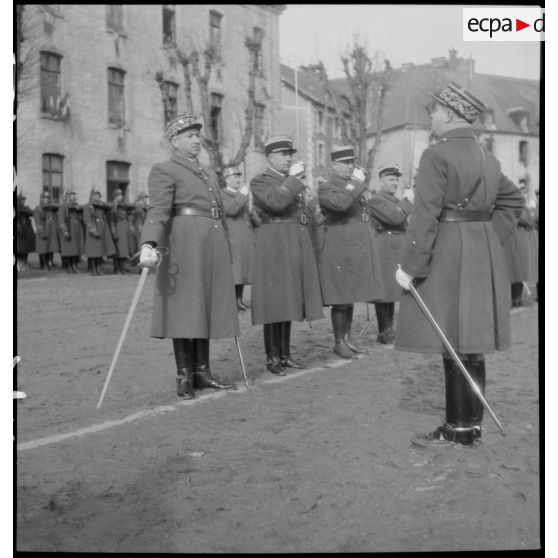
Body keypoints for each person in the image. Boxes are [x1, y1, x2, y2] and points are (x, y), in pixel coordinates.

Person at [394, 82, 523, 447]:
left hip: (448, 254)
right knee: (473, 340)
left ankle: (456, 427)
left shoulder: (436, 155)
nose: (430, 118)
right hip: (480, 254)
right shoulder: (488, 158)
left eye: (433, 111)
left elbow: (425, 216)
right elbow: (512, 203)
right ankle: (473, 423)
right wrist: (486, 237)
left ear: (449, 114)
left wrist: (411, 265)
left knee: (451, 338)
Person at [139, 114, 238, 398]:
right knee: (185, 307)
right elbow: (158, 209)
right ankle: (185, 375)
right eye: (189, 136)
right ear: (174, 141)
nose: (196, 140)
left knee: (204, 305)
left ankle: (202, 371)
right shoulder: (165, 169)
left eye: (197, 135)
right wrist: (149, 243)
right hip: (184, 243)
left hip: (210, 244)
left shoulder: (206, 173)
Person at [250, 135, 324, 375]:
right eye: (283, 154)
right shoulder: (261, 181)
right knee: (274, 304)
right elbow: (277, 202)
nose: (288, 158)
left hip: (292, 243)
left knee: (289, 300)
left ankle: (285, 354)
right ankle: (272, 358)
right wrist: (293, 180)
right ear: (270, 157)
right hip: (274, 244)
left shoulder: (292, 181)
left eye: (290, 154)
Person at [317, 145, 385, 359]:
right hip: (339, 247)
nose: (349, 166)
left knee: (351, 295)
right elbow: (340, 204)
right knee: (341, 296)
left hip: (354, 247)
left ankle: (346, 339)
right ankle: (338, 342)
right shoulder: (327, 187)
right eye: (344, 163)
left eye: (351, 162)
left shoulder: (353, 185)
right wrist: (356, 183)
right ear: (334, 165)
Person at [368, 164, 414, 344]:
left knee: (394, 290)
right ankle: (383, 331)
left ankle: (390, 329)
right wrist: (407, 202)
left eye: (396, 180)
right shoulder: (377, 200)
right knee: (385, 291)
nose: (395, 183)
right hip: (385, 246)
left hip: (398, 246)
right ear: (381, 181)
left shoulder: (396, 200)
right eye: (390, 179)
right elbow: (394, 217)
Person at [221, 166, 257, 311]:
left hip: (244, 236)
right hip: (233, 236)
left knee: (242, 270)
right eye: (234, 177)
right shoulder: (222, 194)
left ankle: (239, 299)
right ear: (227, 180)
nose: (238, 179)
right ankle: (233, 301)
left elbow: (247, 214)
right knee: (235, 270)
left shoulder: (240, 194)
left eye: (238, 176)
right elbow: (231, 210)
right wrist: (242, 196)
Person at [503, 180, 538, 307]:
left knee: (521, 270)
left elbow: (533, 220)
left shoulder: (528, 205)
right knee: (516, 270)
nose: (525, 194)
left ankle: (517, 299)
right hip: (517, 239)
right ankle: (515, 299)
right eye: (522, 191)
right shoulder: (517, 205)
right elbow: (527, 220)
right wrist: (530, 216)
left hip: (524, 239)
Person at [83, 189, 116, 276]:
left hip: (101, 230)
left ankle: (98, 268)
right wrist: (92, 230)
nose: (97, 197)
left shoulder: (101, 206)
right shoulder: (88, 206)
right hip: (93, 230)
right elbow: (87, 219)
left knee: (99, 251)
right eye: (96, 195)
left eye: (99, 195)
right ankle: (93, 269)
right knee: (93, 252)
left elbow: (110, 206)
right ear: (92, 196)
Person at [58, 190, 84, 273]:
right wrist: (65, 231)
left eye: (74, 196)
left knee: (76, 249)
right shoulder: (63, 206)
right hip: (69, 228)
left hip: (76, 229)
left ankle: (74, 266)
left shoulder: (77, 206)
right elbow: (61, 220)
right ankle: (69, 267)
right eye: (72, 196)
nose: (74, 198)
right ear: (67, 197)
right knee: (69, 249)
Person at [33, 190, 60, 271]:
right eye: (45, 197)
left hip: (51, 232)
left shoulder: (51, 209)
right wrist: (41, 232)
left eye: (48, 197)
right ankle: (44, 265)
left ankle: (48, 263)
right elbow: (37, 222)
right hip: (43, 231)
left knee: (49, 248)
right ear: (41, 198)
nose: (47, 199)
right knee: (43, 248)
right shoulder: (38, 209)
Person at [110, 188, 134, 274]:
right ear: (115, 196)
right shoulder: (113, 206)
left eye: (121, 195)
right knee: (118, 251)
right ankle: (117, 269)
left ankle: (122, 268)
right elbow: (112, 221)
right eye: (119, 195)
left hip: (124, 229)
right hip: (118, 229)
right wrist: (114, 233)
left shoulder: (123, 205)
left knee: (124, 250)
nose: (121, 197)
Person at [16, 194, 36, 271]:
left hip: (26, 230)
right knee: (20, 248)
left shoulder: (25, 208)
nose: (24, 201)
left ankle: (25, 262)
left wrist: (25, 210)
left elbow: (32, 212)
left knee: (26, 248)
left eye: (24, 200)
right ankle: (19, 264)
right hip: (19, 229)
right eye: (22, 200)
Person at [129, 192, 149, 262]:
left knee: (142, 246)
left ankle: (141, 263)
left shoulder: (143, 205)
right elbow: (138, 217)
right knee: (140, 246)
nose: (146, 199)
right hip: (140, 227)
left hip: (142, 227)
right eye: (145, 198)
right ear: (141, 198)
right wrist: (140, 226)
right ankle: (140, 263)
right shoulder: (139, 205)